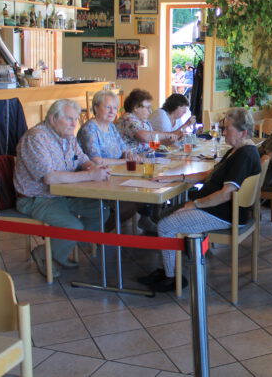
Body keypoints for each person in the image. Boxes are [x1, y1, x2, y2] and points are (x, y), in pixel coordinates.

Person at [138, 108, 262, 292]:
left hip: (225, 213)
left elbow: (225, 194)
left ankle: (171, 278)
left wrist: (194, 204)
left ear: (243, 133)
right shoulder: (237, 150)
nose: (223, 133)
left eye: (227, 129)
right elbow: (208, 174)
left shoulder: (245, 155)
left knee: (165, 225)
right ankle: (169, 267)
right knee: (164, 214)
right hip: (220, 208)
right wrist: (175, 177)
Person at [14, 99, 112, 278]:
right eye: (69, 119)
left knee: (101, 210)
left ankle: (60, 249)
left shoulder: (68, 136)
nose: (74, 124)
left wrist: (93, 168)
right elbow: (49, 178)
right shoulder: (36, 138)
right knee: (73, 226)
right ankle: (45, 253)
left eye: (76, 119)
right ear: (53, 119)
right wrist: (91, 175)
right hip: (37, 198)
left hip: (65, 195)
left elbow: (82, 159)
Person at [77, 90, 155, 234]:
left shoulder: (111, 127)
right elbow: (95, 160)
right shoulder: (90, 129)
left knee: (143, 194)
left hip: (116, 175)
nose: (112, 111)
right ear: (96, 108)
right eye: (108, 107)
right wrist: (124, 162)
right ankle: (95, 235)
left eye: (114, 107)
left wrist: (130, 155)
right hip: (96, 179)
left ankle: (102, 233)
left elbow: (124, 149)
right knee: (130, 203)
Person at [116, 89, 178, 154]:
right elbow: (144, 137)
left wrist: (170, 141)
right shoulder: (128, 119)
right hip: (131, 159)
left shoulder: (144, 121)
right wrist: (168, 135)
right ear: (136, 108)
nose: (150, 111)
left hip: (146, 157)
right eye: (148, 108)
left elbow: (153, 142)